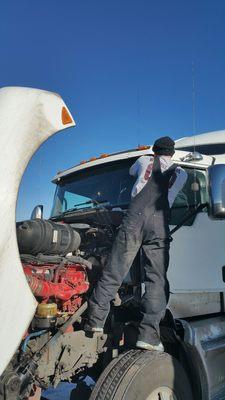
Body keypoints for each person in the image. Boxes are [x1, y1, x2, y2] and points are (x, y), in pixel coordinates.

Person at [85, 136, 187, 351]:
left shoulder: (143, 161)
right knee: (156, 279)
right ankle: (149, 335)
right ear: (172, 153)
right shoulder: (181, 173)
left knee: (115, 270)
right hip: (159, 223)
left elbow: (132, 173)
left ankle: (95, 321)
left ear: (155, 150)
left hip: (134, 219)